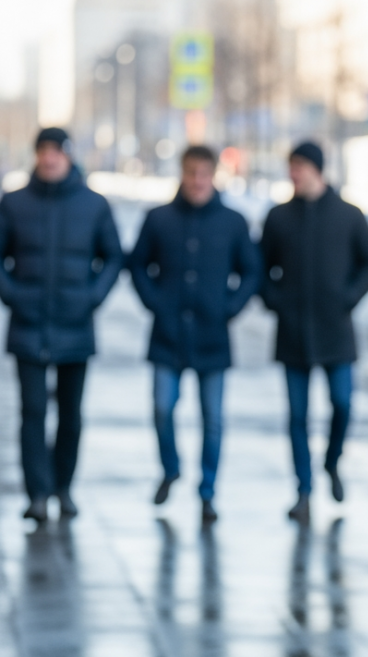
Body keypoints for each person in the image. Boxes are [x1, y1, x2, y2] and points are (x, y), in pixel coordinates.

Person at [127, 145, 262, 523]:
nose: (198, 181)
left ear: (214, 176)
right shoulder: (158, 219)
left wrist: (229, 307)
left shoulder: (233, 222)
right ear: (182, 175)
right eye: (191, 174)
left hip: (212, 336)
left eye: (204, 174)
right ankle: (170, 468)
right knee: (161, 408)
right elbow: (137, 264)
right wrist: (154, 301)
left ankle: (207, 491)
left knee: (213, 420)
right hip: (167, 335)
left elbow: (251, 271)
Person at [0, 127, 124, 523]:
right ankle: (37, 493)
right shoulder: (14, 203)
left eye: (56, 152)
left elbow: (113, 257)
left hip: (75, 325)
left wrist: (91, 297)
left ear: (69, 157)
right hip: (28, 325)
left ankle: (63, 487)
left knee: (71, 413)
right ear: (36, 156)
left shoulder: (94, 205)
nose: (49, 159)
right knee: (32, 412)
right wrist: (13, 294)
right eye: (43, 152)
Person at [260, 141, 368, 521]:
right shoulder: (278, 217)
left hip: (336, 331)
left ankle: (332, 461)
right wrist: (275, 300)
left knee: (342, 404)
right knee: (297, 416)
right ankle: (303, 490)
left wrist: (349, 297)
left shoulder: (348, 215)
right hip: (293, 331)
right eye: (291, 167)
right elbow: (259, 267)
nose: (293, 174)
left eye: (300, 167)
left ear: (317, 169)